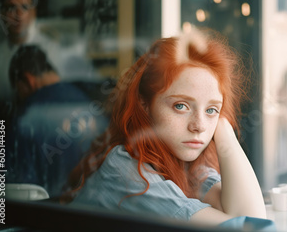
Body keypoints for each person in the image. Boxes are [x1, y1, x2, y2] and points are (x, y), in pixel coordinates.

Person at [61, 28, 268, 227]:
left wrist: (223, 127)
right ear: (145, 105)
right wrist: (215, 113)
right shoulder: (125, 170)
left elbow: (251, 217)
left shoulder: (187, 165)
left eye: (211, 110)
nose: (199, 126)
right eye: (180, 106)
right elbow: (249, 229)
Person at [2, 45, 111, 198]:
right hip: (93, 211)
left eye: (18, 90)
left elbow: (12, 188)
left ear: (27, 79)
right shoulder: (90, 104)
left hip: (49, 216)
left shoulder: (25, 117)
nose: (18, 97)